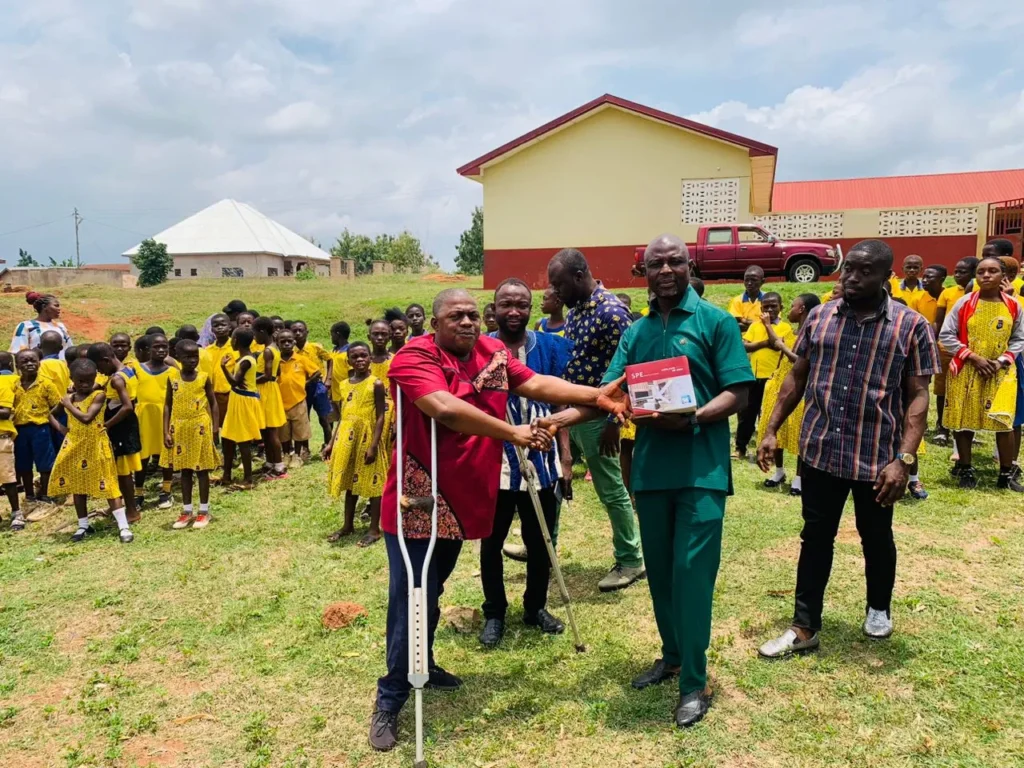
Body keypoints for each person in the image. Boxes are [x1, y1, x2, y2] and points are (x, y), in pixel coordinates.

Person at [368, 287, 629, 752]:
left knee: (436, 586)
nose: (467, 322)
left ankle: (423, 662)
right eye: (456, 316)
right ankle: (391, 694)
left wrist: (598, 394)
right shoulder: (413, 357)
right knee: (410, 593)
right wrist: (514, 432)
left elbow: (537, 384)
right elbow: (445, 410)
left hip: (464, 495)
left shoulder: (492, 352)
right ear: (436, 323)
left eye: (472, 314)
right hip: (420, 497)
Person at [550, 235, 754, 728]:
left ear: (689, 265)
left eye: (675, 261)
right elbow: (609, 390)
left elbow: (740, 391)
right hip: (651, 469)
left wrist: (696, 418)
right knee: (661, 571)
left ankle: (695, 681)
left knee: (693, 575)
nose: (666, 269)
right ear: (644, 270)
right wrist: (557, 420)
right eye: (656, 263)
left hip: (701, 468)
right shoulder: (636, 333)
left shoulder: (715, 322)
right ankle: (673, 656)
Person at [756, 239, 937, 660]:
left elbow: (918, 397)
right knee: (815, 537)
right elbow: (795, 381)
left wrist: (905, 460)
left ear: (885, 276)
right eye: (848, 269)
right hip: (821, 451)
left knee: (876, 536)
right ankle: (804, 626)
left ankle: (878, 607)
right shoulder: (818, 318)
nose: (853, 278)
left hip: (878, 458)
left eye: (865, 271)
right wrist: (770, 431)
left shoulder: (910, 326)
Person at [478, 278, 574, 648]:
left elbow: (560, 402)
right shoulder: (480, 349)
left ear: (531, 308)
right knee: (491, 541)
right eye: (507, 304)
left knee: (541, 540)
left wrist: (565, 457)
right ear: (495, 307)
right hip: (495, 460)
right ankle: (494, 613)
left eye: (522, 304)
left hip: (542, 457)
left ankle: (535, 607)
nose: (514, 311)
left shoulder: (548, 346)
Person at [547, 248, 645, 592]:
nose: (555, 293)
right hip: (570, 408)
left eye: (559, 285)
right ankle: (543, 547)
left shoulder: (612, 313)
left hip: (598, 416)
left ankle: (631, 560)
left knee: (609, 488)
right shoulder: (576, 311)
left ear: (578, 276)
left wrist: (613, 423)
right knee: (552, 477)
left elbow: (631, 372)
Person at [939, 256, 1024, 491]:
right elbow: (947, 334)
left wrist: (1000, 361)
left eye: (992, 271)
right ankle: (965, 469)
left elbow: (1019, 338)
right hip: (967, 368)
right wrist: (973, 357)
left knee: (1004, 420)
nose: (986, 276)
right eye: (981, 271)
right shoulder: (965, 303)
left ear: (1003, 276)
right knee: (964, 419)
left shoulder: (1013, 305)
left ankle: (1006, 474)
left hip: (1001, 371)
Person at [48, 359, 133, 543]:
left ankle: (123, 526)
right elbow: (51, 414)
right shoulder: (69, 397)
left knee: (109, 484)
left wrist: (68, 404)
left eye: (88, 380)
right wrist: (62, 429)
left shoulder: (98, 396)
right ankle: (83, 525)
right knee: (78, 487)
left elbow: (86, 418)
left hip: (96, 444)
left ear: (95, 378)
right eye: (80, 381)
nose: (84, 384)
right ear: (72, 379)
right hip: (75, 446)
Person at [323, 341, 388, 546]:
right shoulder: (344, 384)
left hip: (367, 438)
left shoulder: (376, 383)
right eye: (355, 357)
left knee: (373, 482)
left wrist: (374, 445)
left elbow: (380, 416)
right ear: (348, 360)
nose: (360, 360)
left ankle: (374, 529)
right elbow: (343, 416)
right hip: (346, 438)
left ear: (369, 358)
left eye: (363, 356)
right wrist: (331, 442)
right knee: (351, 480)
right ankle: (347, 525)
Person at [757, 293, 821, 495]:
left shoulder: (814, 333)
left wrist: (782, 346)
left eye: (793, 306)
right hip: (780, 384)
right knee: (777, 430)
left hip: (800, 388)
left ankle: (799, 478)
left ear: (802, 309)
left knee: (800, 433)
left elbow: (799, 361)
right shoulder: (793, 331)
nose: (790, 310)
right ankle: (779, 472)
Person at [162, 340, 220, 529]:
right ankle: (186, 510)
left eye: (195, 356)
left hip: (199, 427)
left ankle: (204, 511)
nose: (192, 360)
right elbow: (167, 405)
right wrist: (166, 431)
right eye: (187, 357)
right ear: (177, 357)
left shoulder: (203, 377)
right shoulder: (172, 378)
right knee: (184, 470)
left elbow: (213, 403)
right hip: (179, 428)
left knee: (202, 470)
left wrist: (215, 428)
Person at [88, 343, 143, 525]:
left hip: (120, 427)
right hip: (124, 425)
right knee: (121, 471)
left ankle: (132, 511)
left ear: (105, 360)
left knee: (123, 473)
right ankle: (124, 507)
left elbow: (127, 406)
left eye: (98, 366)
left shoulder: (117, 379)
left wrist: (107, 425)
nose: (99, 371)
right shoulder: (127, 370)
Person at [933, 257, 979, 447]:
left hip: (971, 349)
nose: (957, 275)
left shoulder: (980, 293)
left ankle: (966, 429)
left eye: (963, 272)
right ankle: (942, 428)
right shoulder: (948, 293)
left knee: (969, 390)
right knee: (943, 388)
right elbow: (939, 320)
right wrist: (934, 341)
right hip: (947, 347)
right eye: (956, 271)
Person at [736, 292, 788, 460]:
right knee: (746, 414)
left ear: (781, 308)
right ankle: (740, 447)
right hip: (754, 376)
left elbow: (777, 346)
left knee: (767, 415)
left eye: (774, 306)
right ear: (761, 308)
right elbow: (745, 346)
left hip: (772, 378)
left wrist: (767, 326)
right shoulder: (754, 326)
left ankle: (766, 451)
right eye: (766, 306)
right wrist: (764, 343)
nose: (770, 309)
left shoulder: (785, 327)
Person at [133, 333, 179, 510]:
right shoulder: (137, 369)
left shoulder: (173, 372)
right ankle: (138, 493)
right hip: (143, 418)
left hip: (165, 417)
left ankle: (166, 491)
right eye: (156, 347)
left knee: (166, 455)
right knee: (142, 457)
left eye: (164, 347)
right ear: (148, 349)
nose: (161, 350)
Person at [13, 349, 61, 509]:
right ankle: (29, 495)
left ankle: (46, 494)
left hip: (41, 429)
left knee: (45, 463)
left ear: (39, 362)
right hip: (20, 430)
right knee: (23, 464)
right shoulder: (14, 385)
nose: (29, 364)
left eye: (33, 360)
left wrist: (47, 415)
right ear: (17, 365)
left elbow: (57, 405)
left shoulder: (46, 383)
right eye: (24, 362)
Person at [219, 328, 265, 490]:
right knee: (227, 436)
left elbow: (234, 382)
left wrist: (223, 367)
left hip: (243, 401)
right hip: (238, 399)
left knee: (243, 440)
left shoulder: (246, 361)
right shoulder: (244, 358)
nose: (230, 341)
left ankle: (248, 479)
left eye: (232, 338)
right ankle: (226, 475)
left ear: (237, 340)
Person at [276, 329, 321, 466]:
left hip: (298, 400)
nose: (287, 344)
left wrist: (306, 383)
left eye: (290, 341)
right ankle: (285, 454)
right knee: (283, 431)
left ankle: (296, 455)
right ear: (277, 343)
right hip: (280, 401)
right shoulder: (275, 360)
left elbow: (316, 371)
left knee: (299, 430)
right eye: (283, 342)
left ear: (294, 342)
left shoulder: (301, 359)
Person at [252, 318, 287, 479]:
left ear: (262, 332)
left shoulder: (267, 351)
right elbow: (277, 373)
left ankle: (279, 466)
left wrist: (250, 381)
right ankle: (270, 462)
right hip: (270, 389)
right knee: (266, 430)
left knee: (271, 431)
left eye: (254, 333)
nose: (254, 337)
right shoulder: (275, 349)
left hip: (266, 390)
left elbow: (267, 375)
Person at [292, 321, 333, 447]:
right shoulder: (292, 351)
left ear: (307, 332)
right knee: (304, 419)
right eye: (295, 331)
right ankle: (305, 448)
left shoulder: (315, 347)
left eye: (301, 330)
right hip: (302, 388)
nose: (298, 333)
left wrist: (328, 379)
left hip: (318, 386)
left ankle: (328, 445)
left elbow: (330, 359)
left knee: (324, 418)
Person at [10, 292, 72, 357]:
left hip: (61, 366)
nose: (59, 309)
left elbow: (69, 350)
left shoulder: (61, 326)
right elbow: (18, 352)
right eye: (56, 306)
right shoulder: (26, 326)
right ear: (44, 306)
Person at [38, 331, 71, 454]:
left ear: (39, 346)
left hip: (51, 410)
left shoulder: (41, 365)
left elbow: (44, 387)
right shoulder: (63, 364)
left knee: (52, 447)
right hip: (64, 408)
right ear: (61, 348)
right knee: (62, 445)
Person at [0, 353, 22, 530]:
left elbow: (5, 412)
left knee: (8, 478)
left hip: (2, 439)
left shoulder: (2, 384)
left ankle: (16, 513)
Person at [727, 266, 766, 331]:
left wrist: (746, 323)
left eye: (754, 280)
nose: (749, 283)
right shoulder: (737, 300)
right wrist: (761, 325)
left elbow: (773, 323)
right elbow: (734, 325)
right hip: (743, 338)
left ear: (762, 281)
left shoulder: (768, 299)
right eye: (746, 280)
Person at [329, 322, 351, 420]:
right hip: (333, 394)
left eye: (332, 334)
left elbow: (352, 374)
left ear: (338, 334)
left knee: (345, 420)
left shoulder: (349, 352)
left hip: (343, 394)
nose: (331, 337)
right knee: (331, 420)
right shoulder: (333, 351)